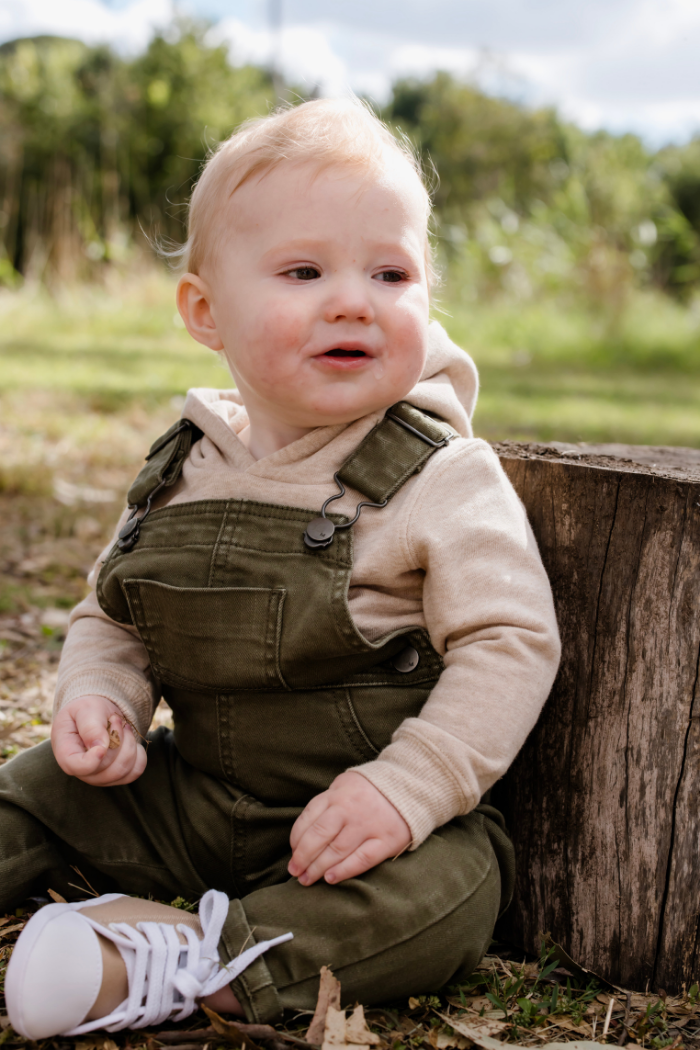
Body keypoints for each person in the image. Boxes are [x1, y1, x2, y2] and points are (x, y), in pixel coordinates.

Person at [2, 99, 561, 1040]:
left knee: (451, 893)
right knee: (38, 787)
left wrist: (407, 787)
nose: (353, 298)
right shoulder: (182, 465)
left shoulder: (437, 474)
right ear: (206, 312)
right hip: (191, 796)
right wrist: (99, 699)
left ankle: (186, 961)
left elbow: (510, 642)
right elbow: (114, 616)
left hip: (361, 833)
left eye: (391, 272)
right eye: (304, 271)